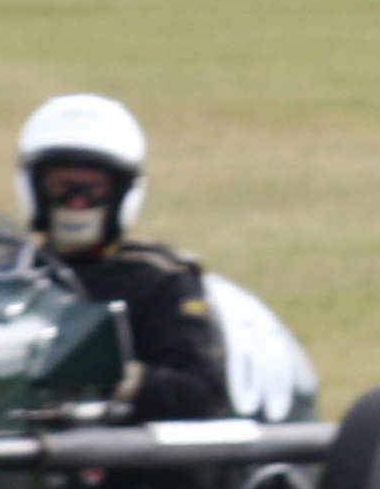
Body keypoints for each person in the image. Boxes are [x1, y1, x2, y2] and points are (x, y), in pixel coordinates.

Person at [12, 95, 232, 426]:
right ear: (35, 188)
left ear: (121, 192)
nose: (76, 202)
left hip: (127, 459)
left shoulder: (160, 279)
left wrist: (124, 380)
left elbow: (200, 393)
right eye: (62, 186)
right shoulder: (10, 272)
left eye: (93, 189)